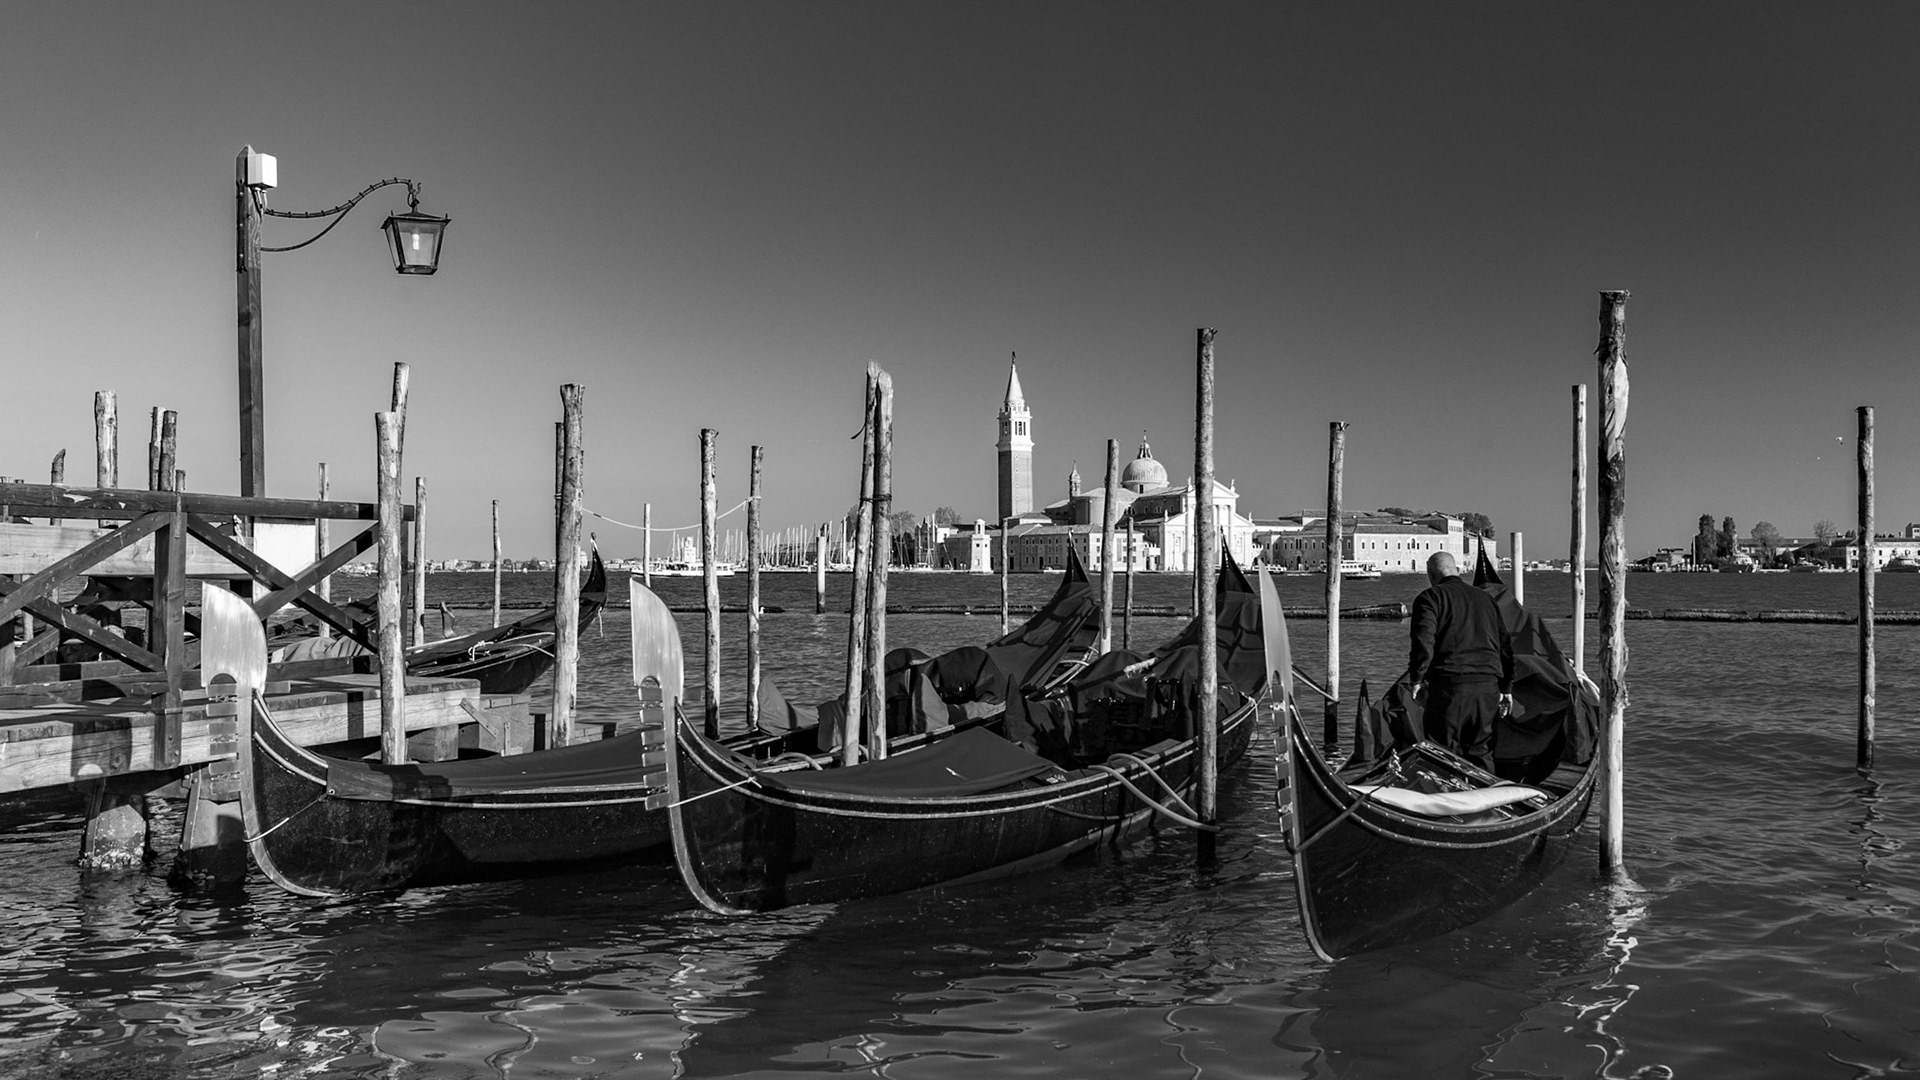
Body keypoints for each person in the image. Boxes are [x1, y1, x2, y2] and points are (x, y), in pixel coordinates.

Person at [1406, 550, 1514, 769]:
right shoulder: (1486, 599)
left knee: (1442, 754)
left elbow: (1423, 643)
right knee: (1481, 751)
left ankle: (1445, 799)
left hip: (1450, 687)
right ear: (1456, 569)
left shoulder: (1430, 597)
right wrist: (1507, 687)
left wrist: (1417, 679)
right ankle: (1485, 799)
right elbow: (1504, 646)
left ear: (1431, 575)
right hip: (1487, 687)